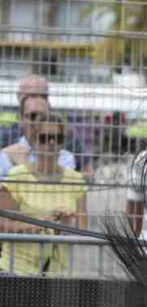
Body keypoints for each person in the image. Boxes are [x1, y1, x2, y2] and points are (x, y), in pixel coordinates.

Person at [0, 111, 87, 276]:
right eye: (45, 137)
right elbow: (2, 225)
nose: (52, 142)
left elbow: (83, 229)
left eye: (58, 138)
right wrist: (35, 225)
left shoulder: (76, 181)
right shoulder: (16, 176)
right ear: (34, 141)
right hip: (16, 270)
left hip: (57, 274)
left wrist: (69, 223)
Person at [0, 75, 76, 177]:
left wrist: (23, 165)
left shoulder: (65, 158)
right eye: (32, 116)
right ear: (21, 119)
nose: (37, 121)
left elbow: (58, 192)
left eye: (43, 116)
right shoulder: (5, 155)